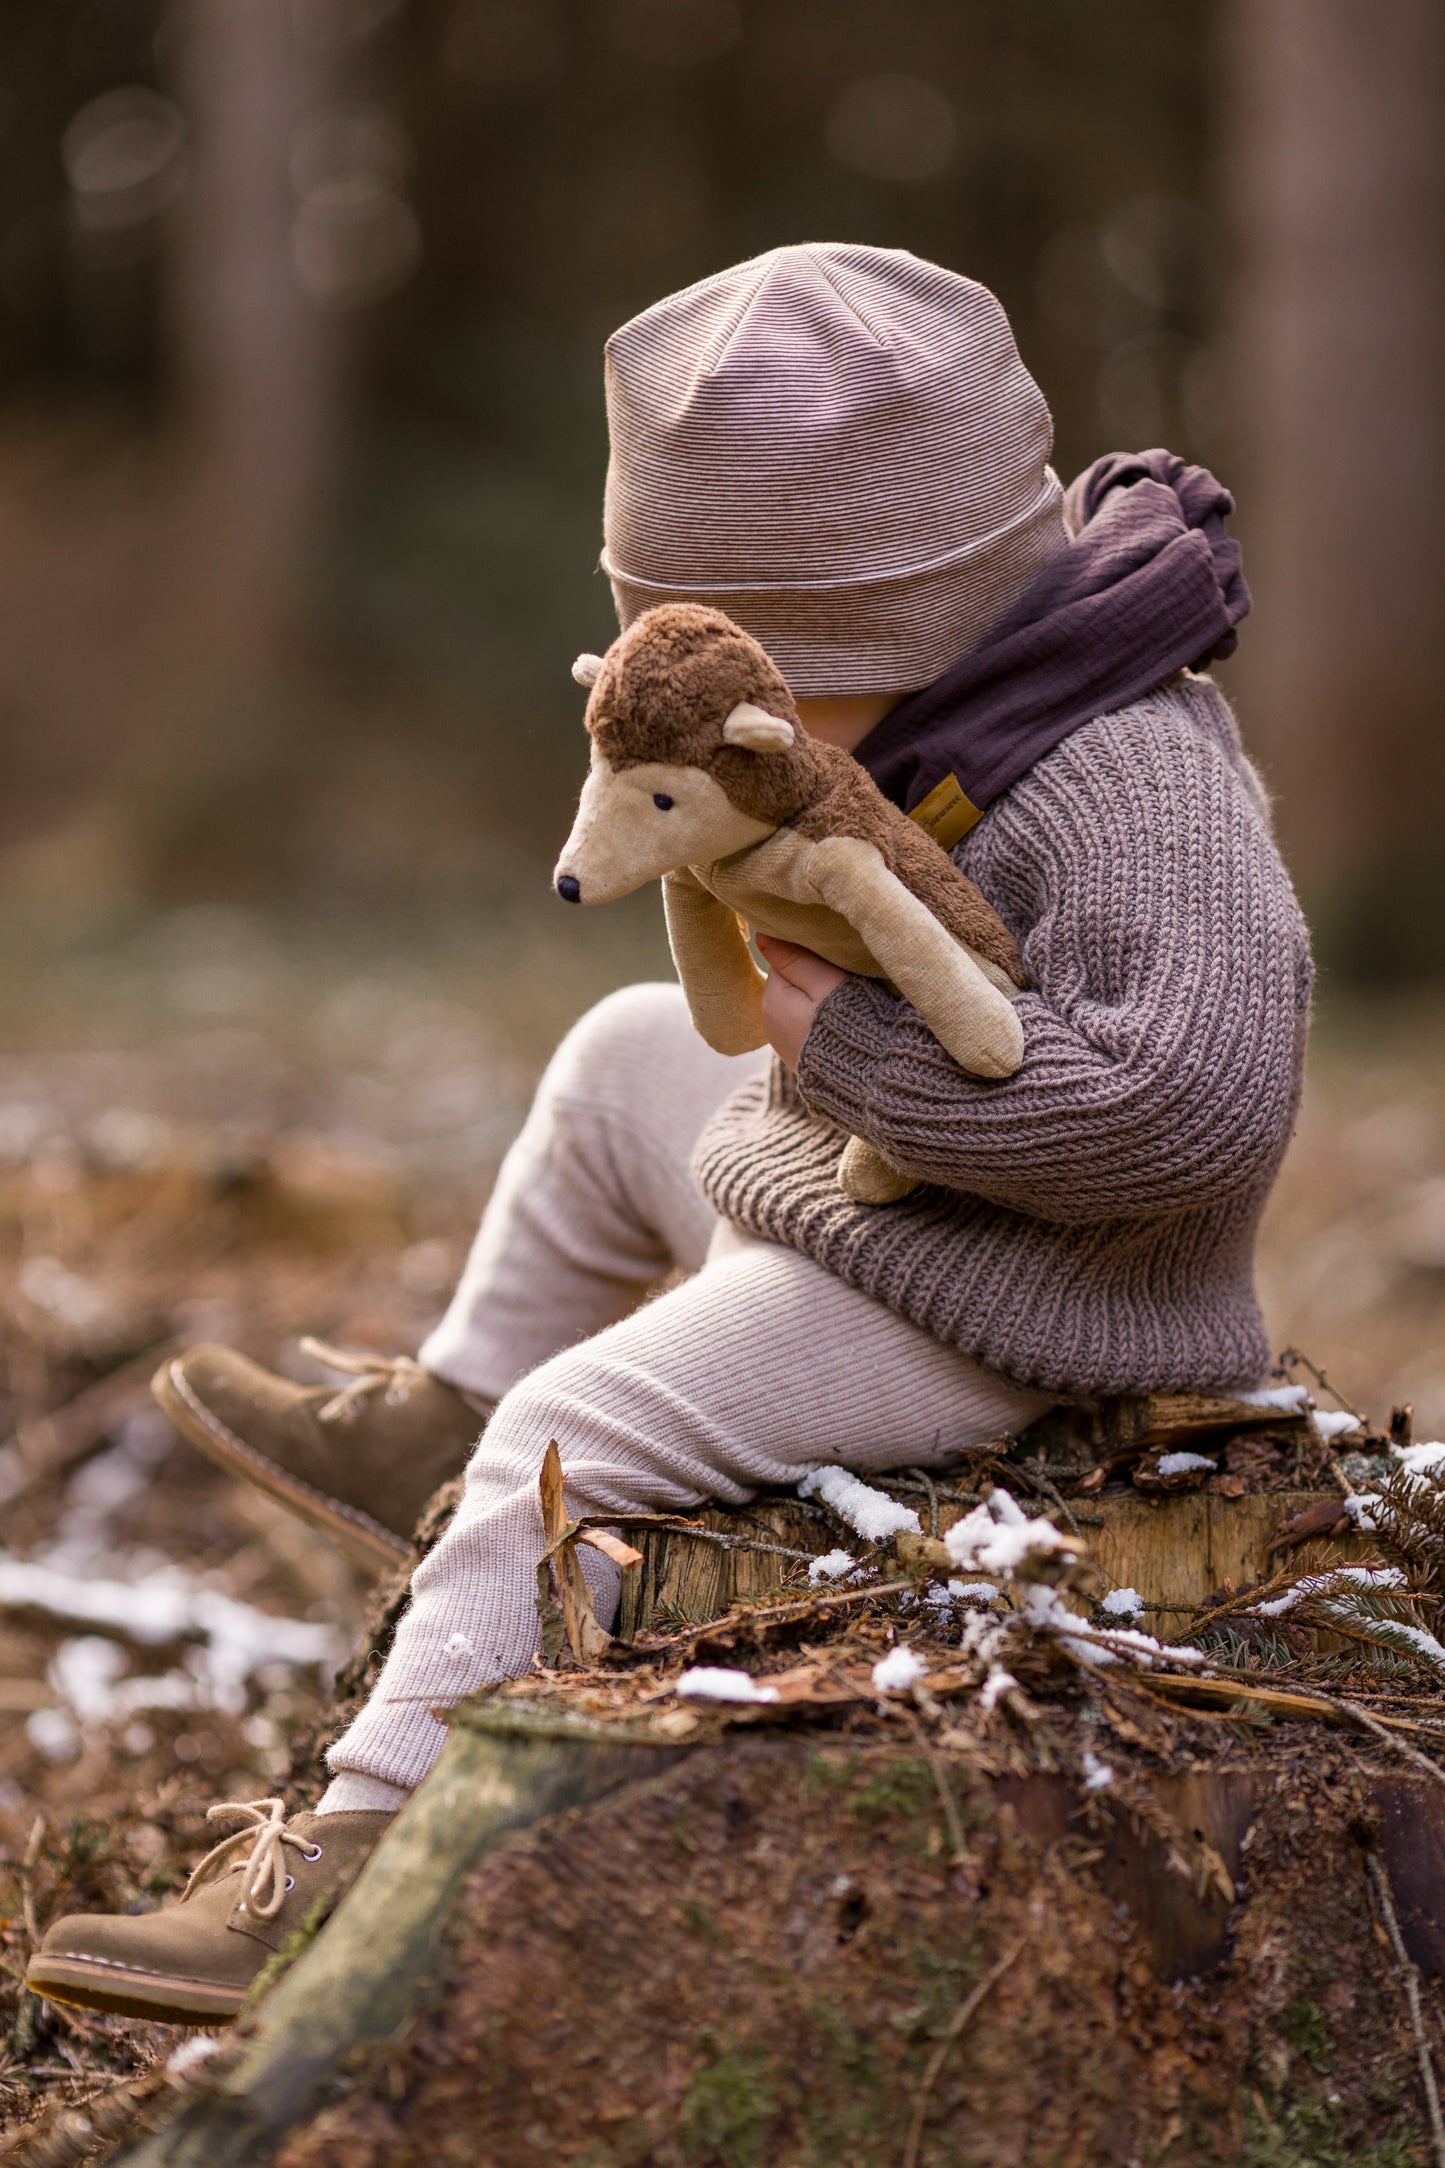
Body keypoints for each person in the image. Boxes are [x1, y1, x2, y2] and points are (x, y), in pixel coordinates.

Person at [28, 243, 1311, 2025]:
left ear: (898, 630)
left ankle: (340, 1872)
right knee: (623, 1049)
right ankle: (451, 1419)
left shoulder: (1130, 778)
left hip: (1016, 1296)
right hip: (876, 1188)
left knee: (588, 1421)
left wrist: (846, 1049)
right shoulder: (936, 714)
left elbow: (1195, 1114)